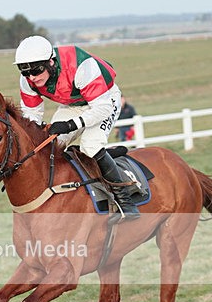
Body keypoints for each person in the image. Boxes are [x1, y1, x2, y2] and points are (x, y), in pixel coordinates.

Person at [15, 35, 139, 221]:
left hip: (104, 101)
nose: (32, 77)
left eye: (37, 70)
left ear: (50, 61)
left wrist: (71, 125)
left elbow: (101, 108)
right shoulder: (28, 80)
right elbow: (31, 115)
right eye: (26, 72)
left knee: (91, 146)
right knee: (50, 146)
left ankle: (125, 200)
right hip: (73, 105)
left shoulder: (82, 66)